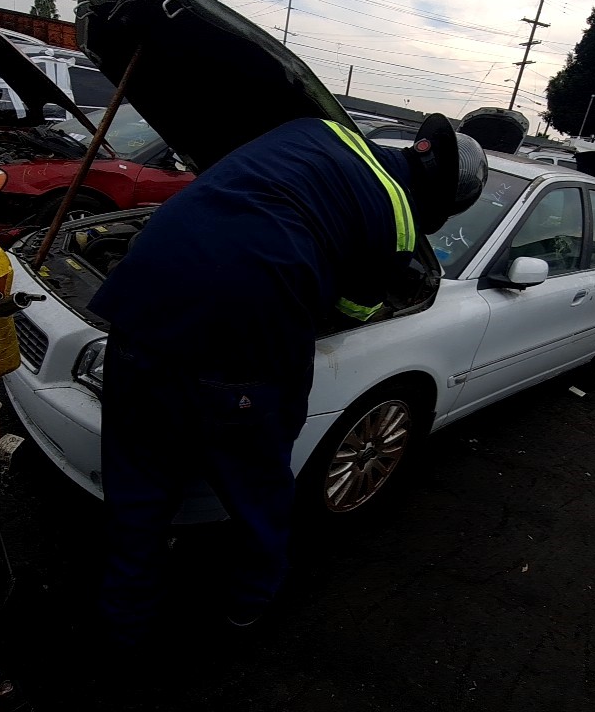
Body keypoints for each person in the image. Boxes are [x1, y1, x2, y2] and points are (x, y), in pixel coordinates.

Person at [86, 113, 487, 651]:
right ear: (439, 203)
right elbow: (349, 309)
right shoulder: (400, 227)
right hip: (241, 356)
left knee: (138, 489)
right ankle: (247, 606)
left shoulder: (317, 128)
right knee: (260, 491)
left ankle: (122, 628)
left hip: (140, 312)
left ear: (419, 148)